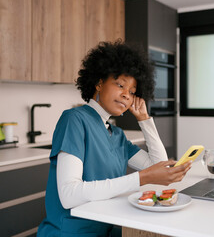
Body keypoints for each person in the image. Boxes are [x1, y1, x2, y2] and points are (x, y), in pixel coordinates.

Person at [37, 40, 192, 237]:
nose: (127, 96)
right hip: (70, 232)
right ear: (99, 82)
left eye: (133, 92)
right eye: (120, 85)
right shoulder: (74, 120)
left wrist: (144, 119)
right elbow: (69, 195)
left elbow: (159, 165)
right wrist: (141, 179)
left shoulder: (116, 135)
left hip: (105, 228)